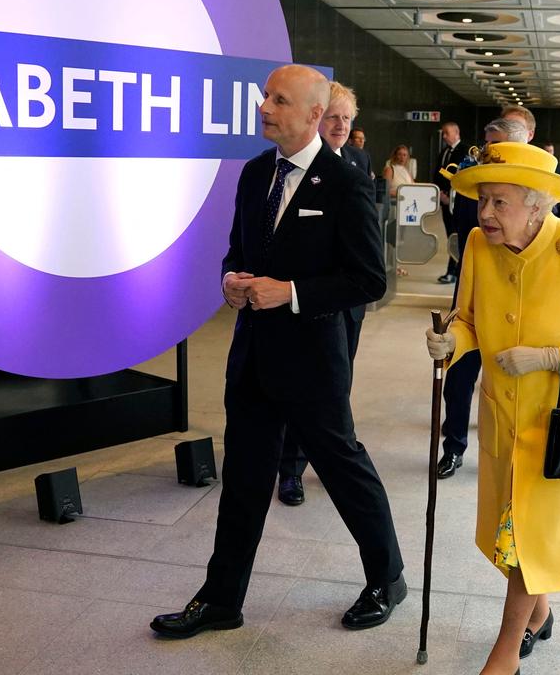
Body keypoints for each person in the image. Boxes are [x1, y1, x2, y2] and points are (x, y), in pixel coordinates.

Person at [150, 64, 405, 639]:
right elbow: (238, 249)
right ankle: (221, 599)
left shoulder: (344, 183)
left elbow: (368, 280)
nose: (264, 107)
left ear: (315, 115)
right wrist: (229, 281)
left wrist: (289, 293)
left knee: (342, 469)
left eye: (279, 100)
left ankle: (386, 578)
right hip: (252, 357)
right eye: (266, 96)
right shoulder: (253, 173)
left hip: (314, 360)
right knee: (242, 477)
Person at [425, 142, 560, 675]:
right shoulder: (476, 244)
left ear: (537, 205)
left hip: (557, 428)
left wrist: (544, 358)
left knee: (524, 539)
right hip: (500, 417)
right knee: (508, 537)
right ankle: (539, 615)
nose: (486, 214)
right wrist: (453, 341)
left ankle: (506, 651)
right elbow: (467, 317)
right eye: (482, 200)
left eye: (500, 202)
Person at [277, 81, 372, 507]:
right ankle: (291, 469)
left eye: (346, 119)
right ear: (316, 118)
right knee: (299, 391)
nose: (340, 126)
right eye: (333, 117)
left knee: (336, 390)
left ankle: (331, 462)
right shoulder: (294, 169)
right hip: (302, 307)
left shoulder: (357, 163)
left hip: (347, 307)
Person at [436, 116, 530, 480]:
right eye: (486, 147)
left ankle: (518, 455)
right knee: (459, 375)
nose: (486, 156)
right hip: (476, 291)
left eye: (496, 149)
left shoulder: (538, 194)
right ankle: (454, 447)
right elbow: (464, 230)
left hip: (524, 304)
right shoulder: (473, 181)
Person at [435, 122, 465, 284]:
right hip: (444, 200)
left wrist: (450, 194)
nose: (444, 136)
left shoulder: (464, 151)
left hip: (456, 201)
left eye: (447, 133)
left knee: (456, 236)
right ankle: (452, 270)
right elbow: (437, 173)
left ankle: (454, 271)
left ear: (456, 132)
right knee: (450, 236)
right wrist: (439, 192)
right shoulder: (444, 152)